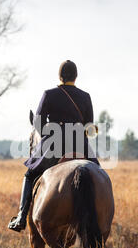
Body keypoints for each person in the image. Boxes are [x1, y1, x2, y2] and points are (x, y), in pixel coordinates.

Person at [8, 60, 99, 232]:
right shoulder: (85, 96)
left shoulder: (49, 94)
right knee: (99, 175)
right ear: (76, 76)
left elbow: (39, 123)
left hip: (54, 145)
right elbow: (89, 128)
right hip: (80, 145)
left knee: (29, 175)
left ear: (60, 76)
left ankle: (20, 217)